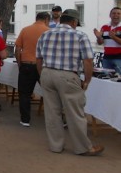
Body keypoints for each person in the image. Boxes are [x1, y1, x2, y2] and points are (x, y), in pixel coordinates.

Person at [36, 9, 104, 156]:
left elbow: (39, 59)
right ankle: (83, 147)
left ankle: (56, 145)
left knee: (52, 112)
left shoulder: (45, 34)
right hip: (68, 75)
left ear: (60, 20)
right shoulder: (80, 35)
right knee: (75, 113)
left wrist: (43, 75)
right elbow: (88, 60)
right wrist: (87, 80)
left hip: (47, 73)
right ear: (74, 22)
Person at [14, 12, 50, 127]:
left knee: (24, 93)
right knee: (50, 93)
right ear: (46, 20)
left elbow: (18, 48)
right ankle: (56, 119)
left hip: (27, 64)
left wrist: (20, 64)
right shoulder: (49, 31)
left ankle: (25, 120)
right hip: (43, 66)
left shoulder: (25, 30)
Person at [93, 7, 121, 74]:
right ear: (110, 15)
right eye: (113, 13)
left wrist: (113, 37)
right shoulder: (104, 27)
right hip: (106, 58)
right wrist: (99, 38)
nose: (116, 15)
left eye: (118, 13)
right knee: (107, 79)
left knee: (119, 80)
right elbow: (100, 43)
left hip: (119, 58)